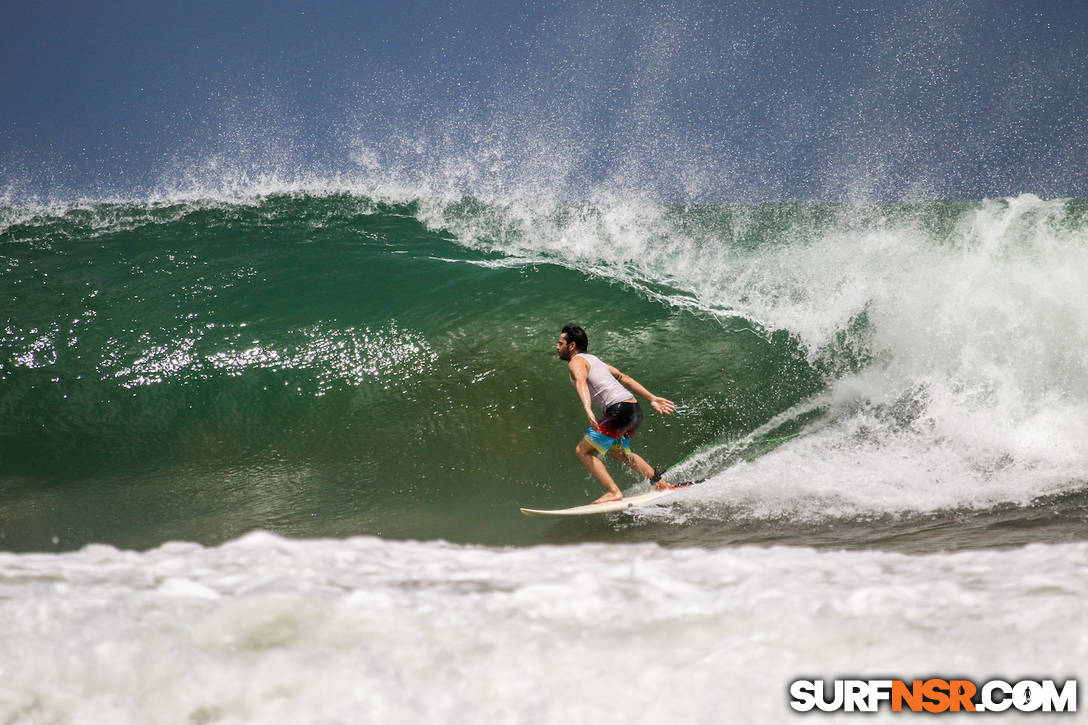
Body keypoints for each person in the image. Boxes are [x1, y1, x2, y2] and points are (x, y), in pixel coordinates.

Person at [556, 325, 677, 503]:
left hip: (618, 410)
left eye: (560, 343)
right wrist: (651, 398)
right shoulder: (595, 360)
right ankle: (662, 484)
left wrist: (587, 408)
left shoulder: (576, 362)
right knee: (619, 452)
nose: (557, 347)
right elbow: (624, 378)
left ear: (572, 346)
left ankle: (614, 492)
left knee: (582, 451)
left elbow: (581, 381)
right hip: (633, 409)